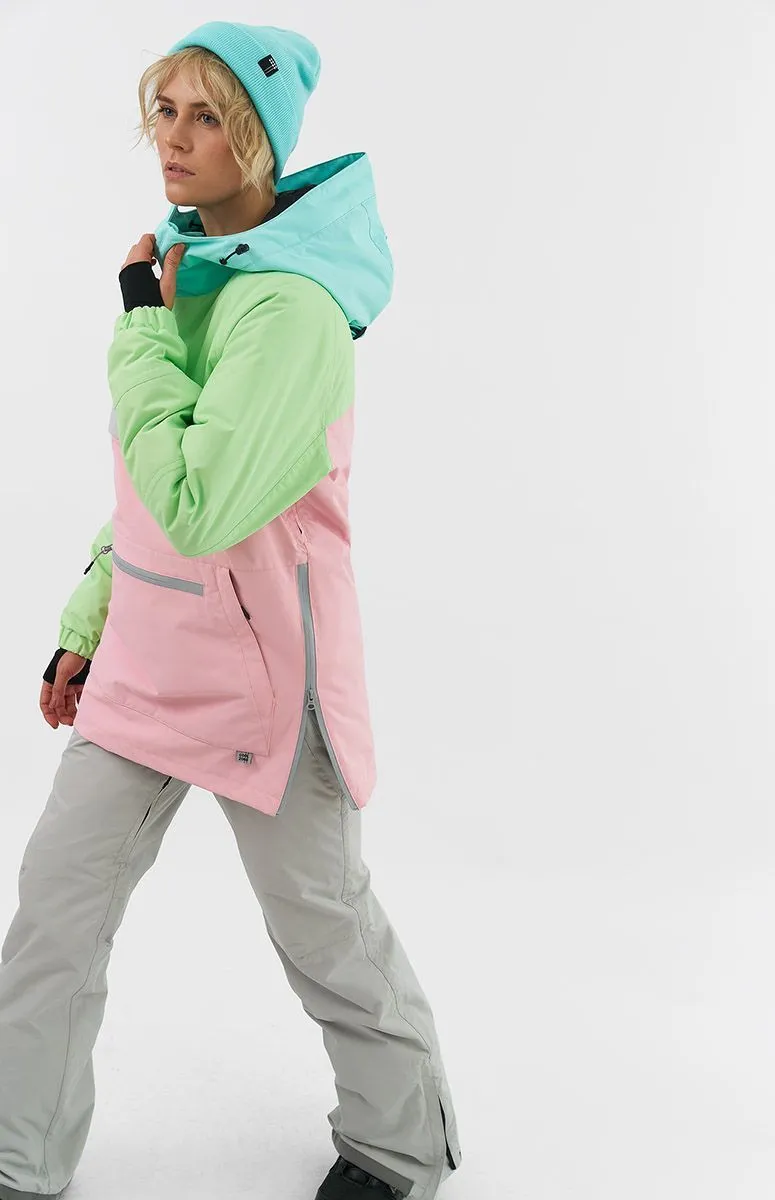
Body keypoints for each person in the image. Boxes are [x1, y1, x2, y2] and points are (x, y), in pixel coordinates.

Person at [0, 21, 461, 1200]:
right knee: (54, 914)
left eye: (206, 117)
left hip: (268, 673)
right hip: (149, 661)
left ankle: (399, 1145)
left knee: (321, 924)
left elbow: (196, 504)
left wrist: (138, 327)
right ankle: (15, 1159)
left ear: (258, 139)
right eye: (163, 111)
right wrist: (88, 623)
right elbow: (143, 494)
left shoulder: (288, 311)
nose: (173, 140)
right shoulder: (185, 270)